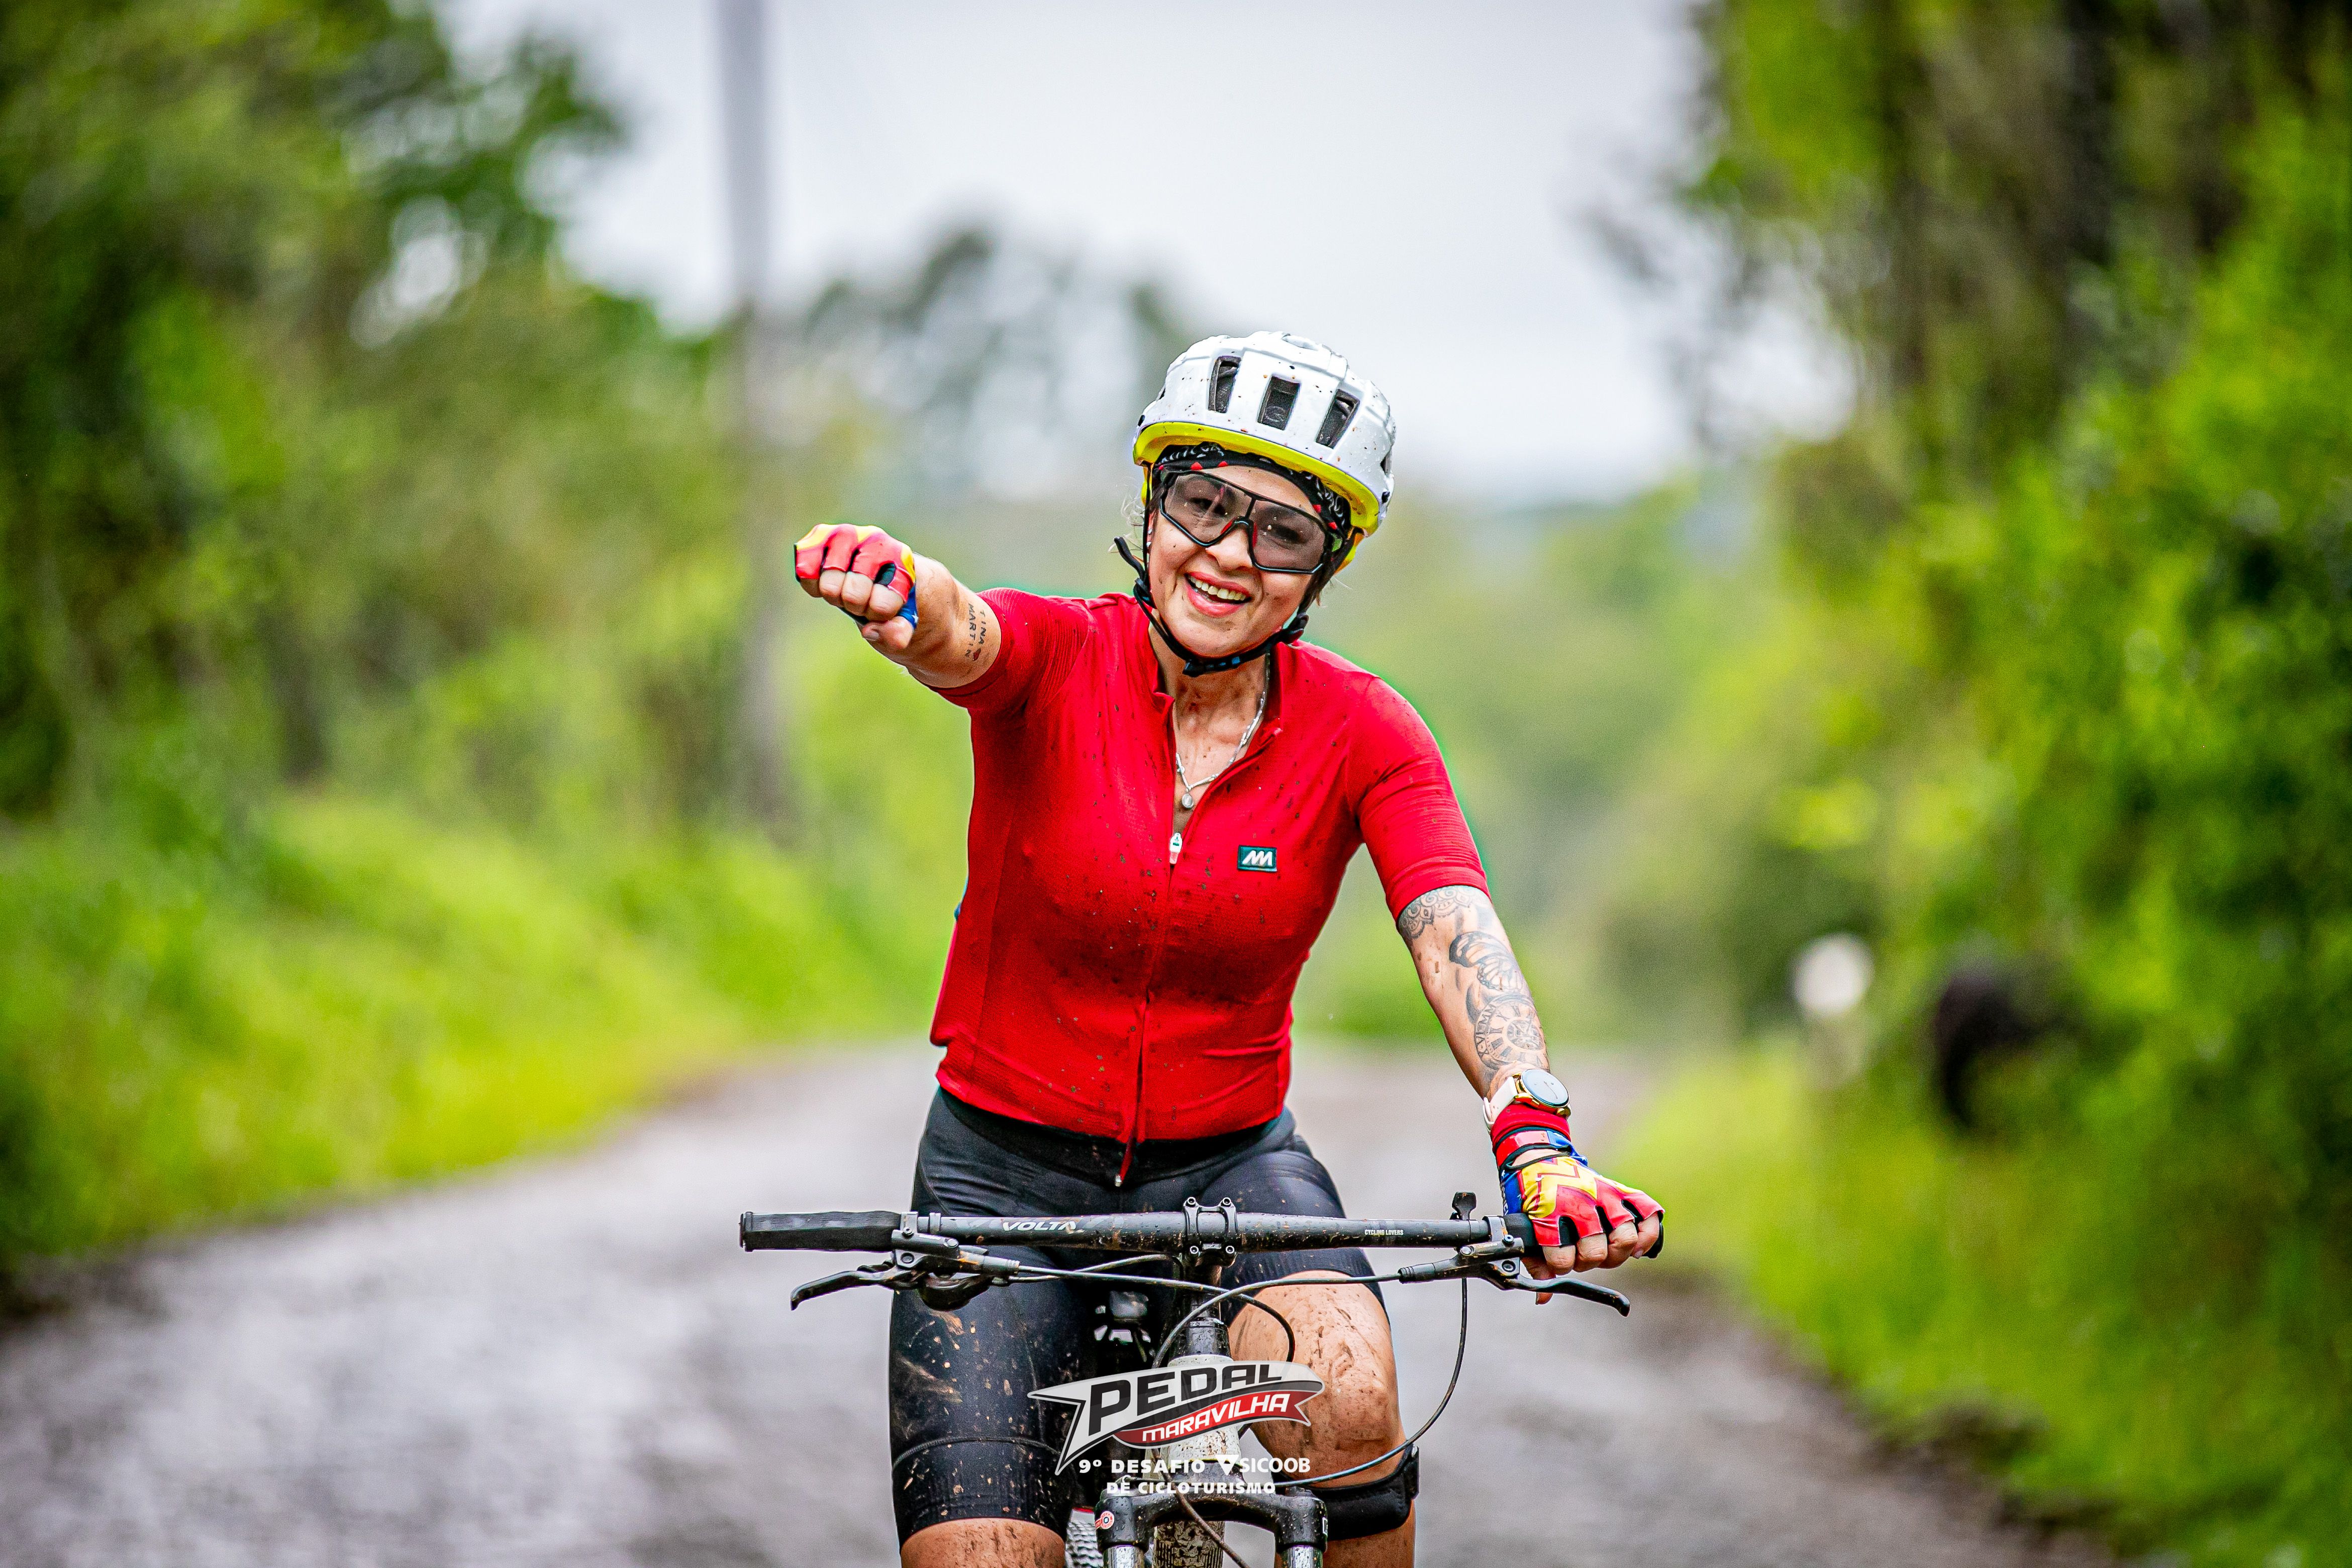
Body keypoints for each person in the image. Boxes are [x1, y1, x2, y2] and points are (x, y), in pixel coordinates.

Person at [795, 331, 1662, 1568]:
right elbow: (963, 629)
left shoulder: (1367, 729)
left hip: (1232, 1178)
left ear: (1325, 566)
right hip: (998, 1184)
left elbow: (1452, 924)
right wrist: (897, 587)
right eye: (1205, 504)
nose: (1231, 555)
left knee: (1353, 1402)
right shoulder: (1060, 655)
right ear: (1153, 507)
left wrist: (1538, 1136)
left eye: (1285, 533)